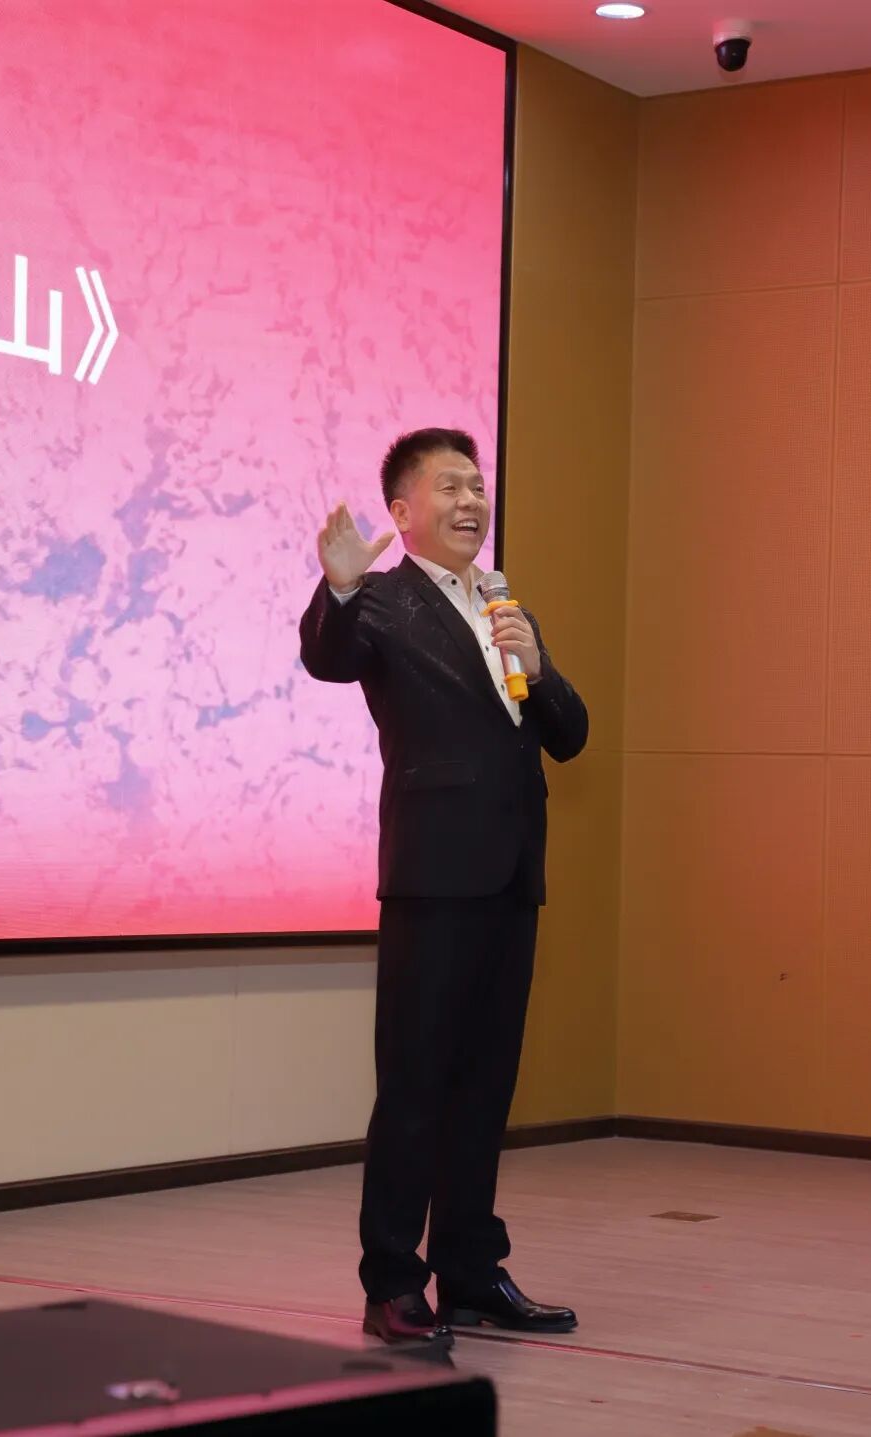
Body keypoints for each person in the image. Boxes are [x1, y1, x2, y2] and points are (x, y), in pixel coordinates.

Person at [299, 428, 588, 1347]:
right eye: (451, 487)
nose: (472, 501)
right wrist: (340, 587)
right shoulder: (384, 602)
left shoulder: (503, 605)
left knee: (485, 1086)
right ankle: (392, 1282)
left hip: (512, 876)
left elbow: (570, 732)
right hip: (433, 877)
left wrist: (537, 667)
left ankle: (469, 1270)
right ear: (403, 510)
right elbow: (328, 656)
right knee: (416, 1085)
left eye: (478, 486)